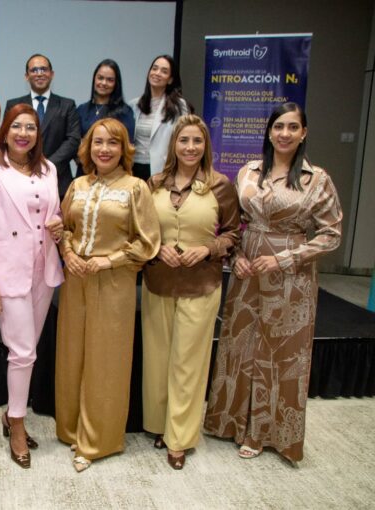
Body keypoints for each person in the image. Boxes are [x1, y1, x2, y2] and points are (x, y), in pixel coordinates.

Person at [204, 102, 343, 463]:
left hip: (291, 276)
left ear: (303, 133)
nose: (284, 133)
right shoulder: (248, 172)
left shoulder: (317, 179)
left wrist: (283, 258)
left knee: (279, 354)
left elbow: (331, 234)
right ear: (268, 131)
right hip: (248, 269)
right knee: (239, 346)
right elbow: (234, 224)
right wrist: (236, 259)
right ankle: (229, 422)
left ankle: (264, 433)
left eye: (293, 127)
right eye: (279, 126)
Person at [56, 118, 160, 472]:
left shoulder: (135, 188)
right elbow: (64, 227)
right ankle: (71, 429)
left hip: (114, 282)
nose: (104, 149)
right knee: (72, 355)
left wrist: (108, 260)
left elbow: (147, 243)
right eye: (98, 142)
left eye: (112, 143)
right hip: (75, 281)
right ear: (87, 147)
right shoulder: (78, 184)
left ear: (124, 148)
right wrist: (69, 254)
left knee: (106, 361)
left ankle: (97, 440)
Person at [141, 115, 240, 470]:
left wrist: (210, 249)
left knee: (188, 362)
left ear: (206, 146)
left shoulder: (220, 185)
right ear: (174, 145)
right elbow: (141, 231)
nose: (190, 147)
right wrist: (156, 248)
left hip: (201, 285)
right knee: (157, 360)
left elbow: (233, 233)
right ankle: (159, 424)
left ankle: (179, 438)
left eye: (197, 141)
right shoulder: (153, 184)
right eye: (184, 140)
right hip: (158, 283)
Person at [0, 104, 64, 469]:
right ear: (5, 131)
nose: (23, 133)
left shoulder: (48, 168)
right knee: (23, 352)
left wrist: (57, 224)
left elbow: (49, 214)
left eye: (31, 127)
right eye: (17, 127)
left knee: (28, 349)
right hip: (7, 271)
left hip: (44, 270)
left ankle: (11, 414)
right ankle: (19, 424)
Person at [5, 54, 81, 198]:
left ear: (51, 74)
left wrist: (48, 165)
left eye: (44, 69)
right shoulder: (14, 105)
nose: (39, 74)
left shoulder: (67, 105)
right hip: (20, 177)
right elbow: (8, 137)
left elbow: (73, 140)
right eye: (34, 70)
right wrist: (28, 166)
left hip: (58, 179)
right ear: (26, 76)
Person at [129, 55, 190, 181]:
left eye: (164, 71)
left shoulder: (178, 105)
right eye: (154, 68)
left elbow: (184, 139)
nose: (157, 73)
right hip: (134, 168)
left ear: (170, 79)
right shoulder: (134, 104)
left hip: (161, 170)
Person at [76, 59, 135, 139]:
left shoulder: (124, 112)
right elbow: (74, 141)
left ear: (116, 84)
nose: (104, 83)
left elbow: (127, 144)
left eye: (110, 80)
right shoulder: (81, 110)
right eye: (100, 78)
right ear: (94, 79)